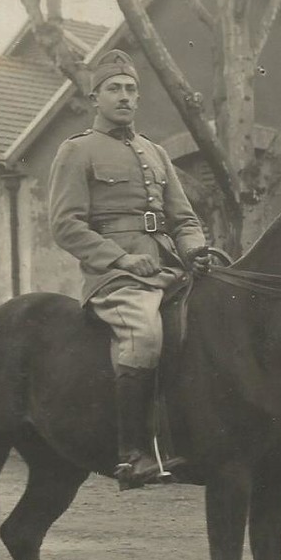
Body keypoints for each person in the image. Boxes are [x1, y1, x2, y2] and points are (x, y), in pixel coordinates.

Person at [48, 49, 211, 491]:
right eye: (114, 89)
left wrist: (195, 249)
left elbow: (184, 219)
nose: (124, 97)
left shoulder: (155, 153)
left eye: (131, 89)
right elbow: (65, 224)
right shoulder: (77, 150)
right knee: (145, 333)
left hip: (168, 270)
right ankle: (132, 453)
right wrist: (119, 258)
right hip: (116, 279)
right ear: (95, 97)